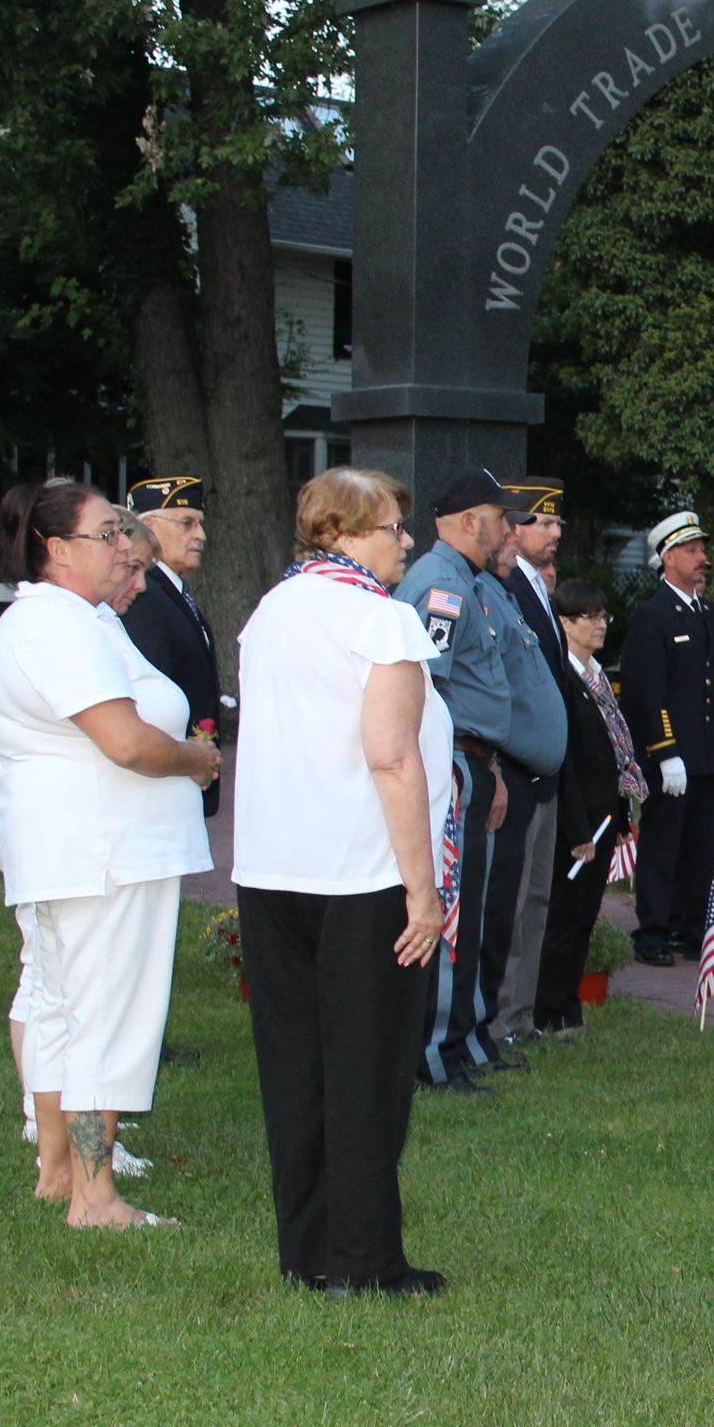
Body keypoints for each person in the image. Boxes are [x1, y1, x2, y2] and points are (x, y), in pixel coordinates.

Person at [231, 467, 451, 1296]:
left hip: (274, 868)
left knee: (296, 1066)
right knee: (367, 1069)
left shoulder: (271, 610)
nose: (406, 541)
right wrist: (421, 891)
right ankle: (364, 1260)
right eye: (394, 526)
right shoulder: (380, 621)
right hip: (361, 875)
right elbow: (393, 756)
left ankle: (309, 1249)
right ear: (344, 531)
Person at [0, 481, 217, 1229]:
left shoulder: (71, 619)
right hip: (103, 851)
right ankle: (95, 1193)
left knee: (63, 1011)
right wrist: (196, 759)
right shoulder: (60, 626)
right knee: (103, 1022)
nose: (123, 547)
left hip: (82, 847)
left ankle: (59, 1171)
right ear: (56, 549)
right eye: (107, 534)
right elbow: (125, 740)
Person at [393, 470, 516, 1094]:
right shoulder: (441, 589)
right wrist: (462, 772)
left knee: (473, 904)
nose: (507, 529)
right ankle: (434, 1052)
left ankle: (461, 1036)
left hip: (473, 761)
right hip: (452, 763)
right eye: (500, 516)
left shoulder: (466, 582)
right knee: (453, 907)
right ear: (471, 521)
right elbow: (427, 691)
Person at [622, 511, 714, 967]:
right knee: (663, 845)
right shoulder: (653, 616)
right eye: (693, 551)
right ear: (669, 557)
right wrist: (665, 752)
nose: (703, 559)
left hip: (711, 752)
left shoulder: (709, 613)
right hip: (674, 756)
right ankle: (653, 930)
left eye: (703, 550)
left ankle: (700, 926)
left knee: (706, 846)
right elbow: (647, 691)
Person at [538, 580, 648, 1035]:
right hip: (578, 819)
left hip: (605, 813)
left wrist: (622, 815)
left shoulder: (597, 676)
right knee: (564, 918)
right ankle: (548, 1010)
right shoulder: (564, 678)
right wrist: (579, 829)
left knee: (585, 916)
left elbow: (615, 754)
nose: (600, 624)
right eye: (590, 617)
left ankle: (571, 1005)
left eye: (604, 616)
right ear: (565, 623)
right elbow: (569, 758)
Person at [485, 477, 572, 1054]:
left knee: (536, 897)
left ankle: (518, 1013)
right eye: (544, 522)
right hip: (512, 768)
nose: (555, 532)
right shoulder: (501, 587)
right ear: (512, 527)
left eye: (557, 522)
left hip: (545, 771)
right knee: (510, 899)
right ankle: (496, 1017)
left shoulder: (539, 589)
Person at [118, 475, 220, 818]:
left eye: (201, 524)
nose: (201, 536)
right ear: (147, 527)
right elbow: (149, 692)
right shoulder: (142, 595)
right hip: (159, 788)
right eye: (187, 523)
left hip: (182, 779)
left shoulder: (171, 592)